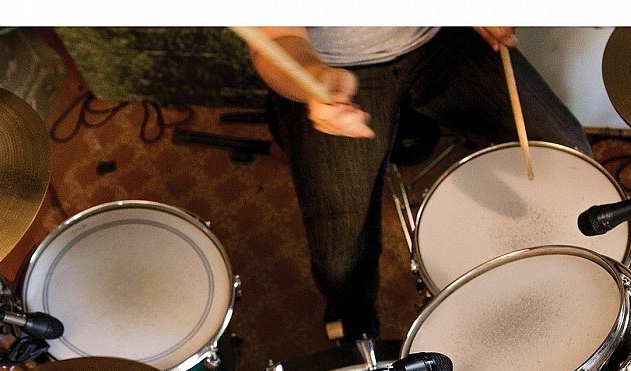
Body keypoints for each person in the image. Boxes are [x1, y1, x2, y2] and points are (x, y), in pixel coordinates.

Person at [245, 27, 593, 341]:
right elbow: (275, 40)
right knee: (341, 257)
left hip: (439, 36)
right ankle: (355, 328)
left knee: (569, 157)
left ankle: (574, 289)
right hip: (328, 65)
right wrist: (314, 79)